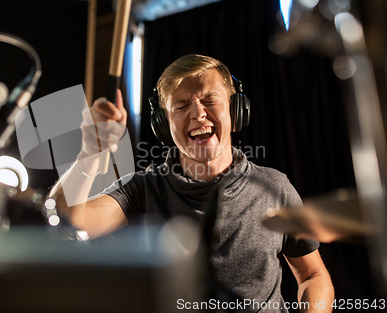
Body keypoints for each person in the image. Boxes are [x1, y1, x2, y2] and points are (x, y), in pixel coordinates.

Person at [49, 54, 334, 312]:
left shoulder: (275, 187)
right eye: (181, 105)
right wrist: (88, 152)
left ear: (236, 113)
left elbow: (312, 275)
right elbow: (67, 220)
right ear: (164, 126)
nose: (197, 113)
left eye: (209, 100)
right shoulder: (142, 189)